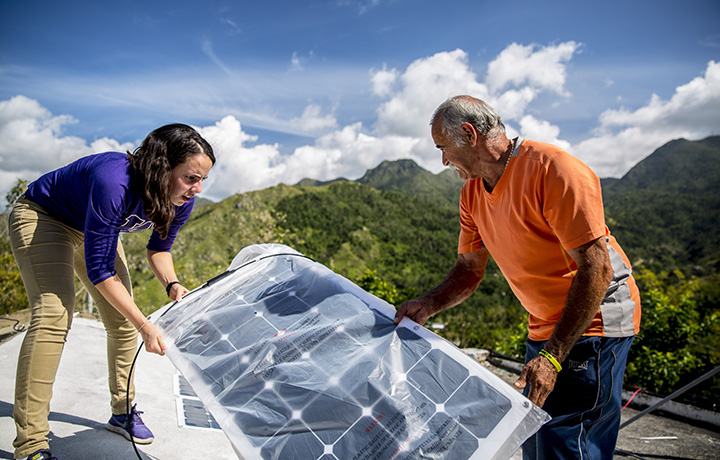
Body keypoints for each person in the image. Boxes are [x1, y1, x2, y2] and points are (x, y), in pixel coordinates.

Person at [394, 95, 641, 459]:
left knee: (568, 443)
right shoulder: (472, 194)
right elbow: (468, 269)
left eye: (443, 148)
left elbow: (597, 268)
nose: (443, 160)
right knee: (534, 437)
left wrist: (553, 357)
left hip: (594, 324)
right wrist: (429, 304)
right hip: (543, 329)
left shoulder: (553, 169)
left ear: (469, 134)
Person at [8, 123, 215, 460]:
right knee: (53, 316)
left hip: (92, 229)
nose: (198, 188)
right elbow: (100, 271)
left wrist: (172, 285)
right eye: (191, 177)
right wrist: (145, 325)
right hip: (44, 217)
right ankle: (31, 444)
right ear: (163, 167)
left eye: (203, 179)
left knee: (120, 323)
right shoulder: (113, 180)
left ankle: (122, 411)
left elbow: (159, 249)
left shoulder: (181, 200)